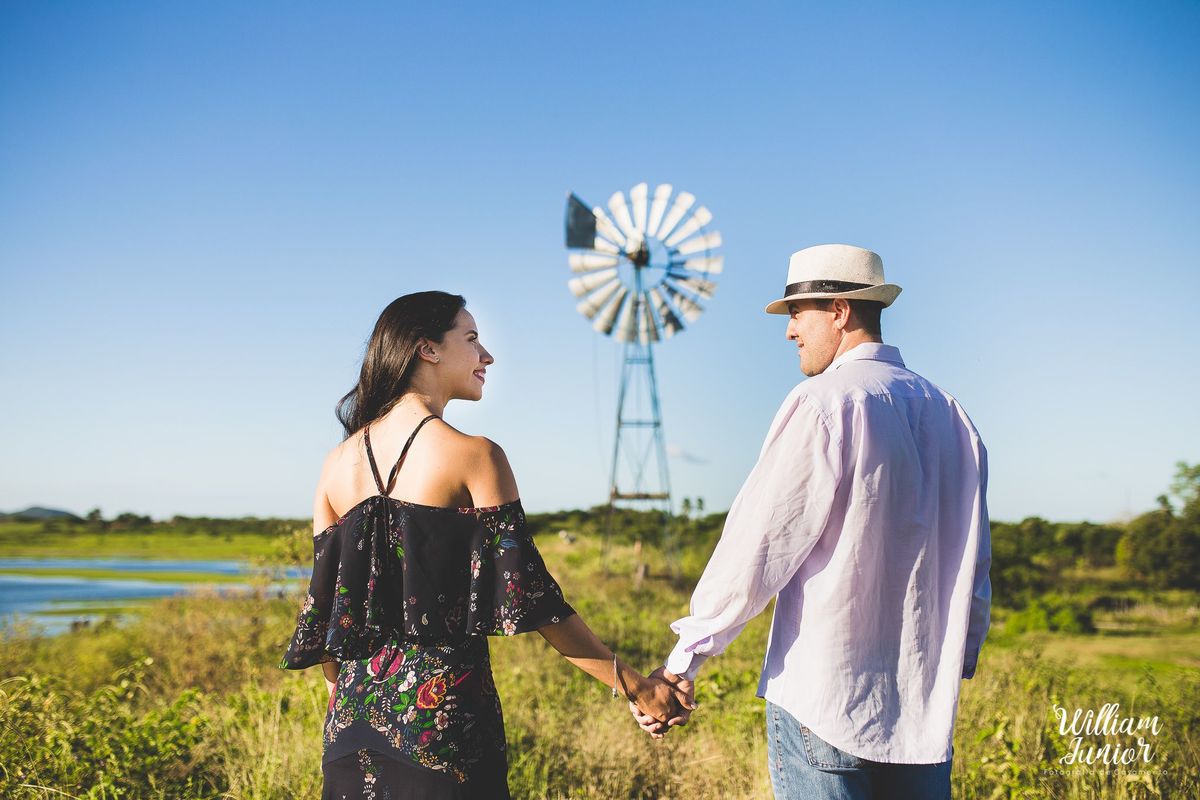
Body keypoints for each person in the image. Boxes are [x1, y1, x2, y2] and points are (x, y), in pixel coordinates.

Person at [280, 290, 686, 799]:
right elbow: (536, 602)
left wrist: (357, 708)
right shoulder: (475, 455)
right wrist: (640, 688)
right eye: (471, 339)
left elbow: (328, 619)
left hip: (348, 735)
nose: (486, 356)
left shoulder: (335, 465)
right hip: (442, 734)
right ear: (427, 349)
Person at [630, 244, 992, 800]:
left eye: (797, 314)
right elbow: (975, 562)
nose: (789, 331)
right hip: (923, 713)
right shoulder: (952, 415)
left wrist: (685, 661)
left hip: (828, 704)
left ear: (840, 311)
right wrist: (952, 661)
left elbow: (760, 545)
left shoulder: (825, 402)